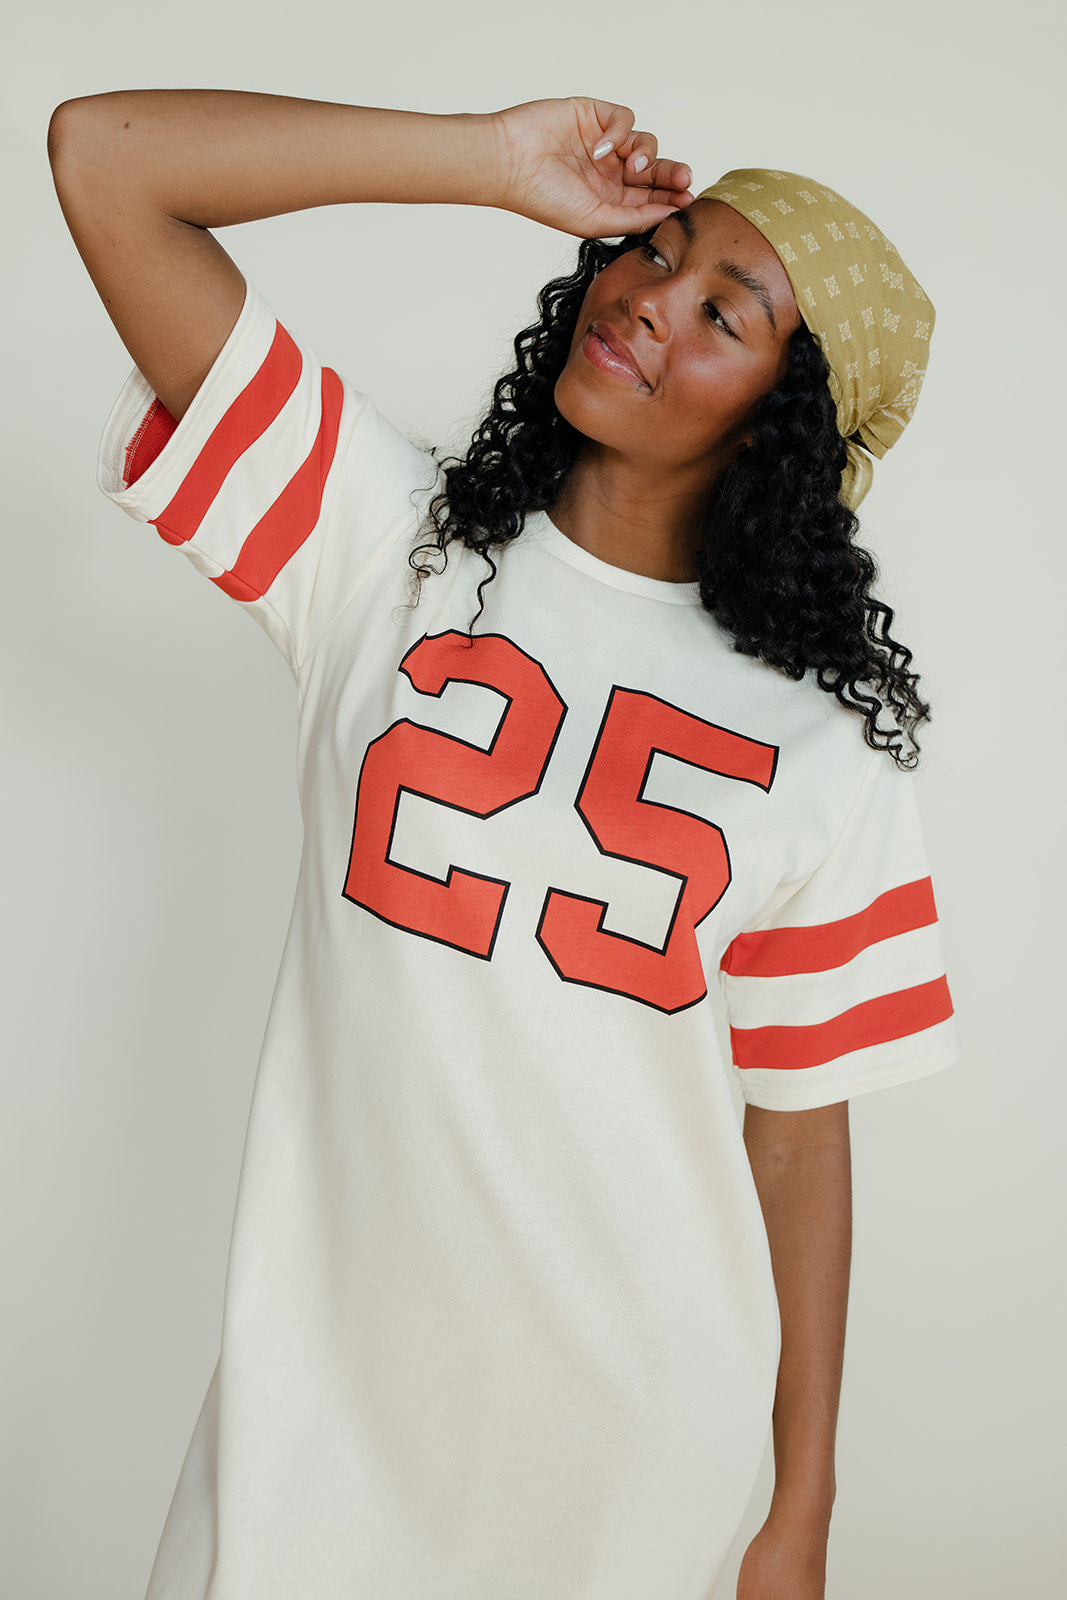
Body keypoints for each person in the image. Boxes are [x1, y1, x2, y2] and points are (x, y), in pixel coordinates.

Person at [47, 91, 959, 1600]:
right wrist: (489, 163)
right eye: (656, 252)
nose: (651, 302)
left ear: (785, 425)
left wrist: (800, 1506)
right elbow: (106, 164)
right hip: (317, 1420)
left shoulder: (820, 751)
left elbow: (798, 1136)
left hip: (633, 1445)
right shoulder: (377, 543)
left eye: (723, 312)